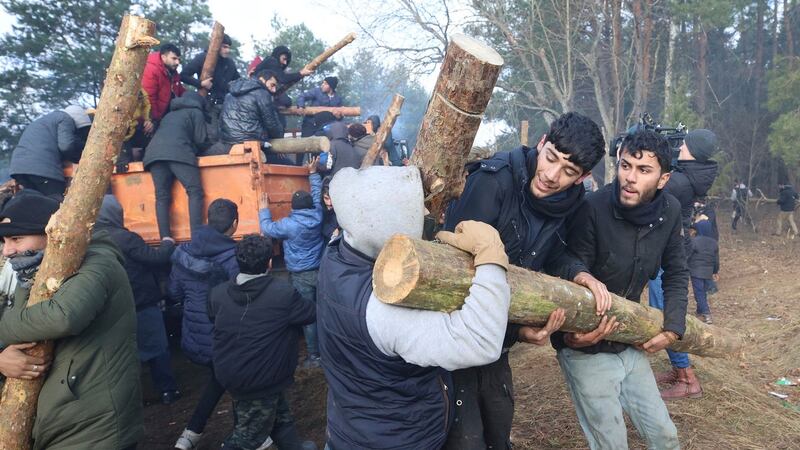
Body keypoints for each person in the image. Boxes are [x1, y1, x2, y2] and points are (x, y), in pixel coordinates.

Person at [442, 112, 611, 450]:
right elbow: (456, 269)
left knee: (498, 428)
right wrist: (515, 329)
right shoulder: (493, 180)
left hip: (497, 343)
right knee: (463, 439)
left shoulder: (572, 204)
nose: (551, 175)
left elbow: (556, 256)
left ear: (583, 177)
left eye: (568, 171)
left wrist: (580, 273)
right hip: (454, 337)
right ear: (542, 142)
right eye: (551, 158)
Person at [317, 165, 512, 449]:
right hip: (398, 440)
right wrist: (491, 255)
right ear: (390, 228)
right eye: (418, 211)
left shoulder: (337, 251)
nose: (427, 216)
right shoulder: (384, 310)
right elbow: (481, 341)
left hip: (352, 428)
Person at [553, 129, 687, 450]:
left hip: (630, 340)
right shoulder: (591, 208)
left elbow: (677, 271)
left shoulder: (670, 212)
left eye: (643, 171)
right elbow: (565, 260)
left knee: (665, 436)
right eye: (625, 166)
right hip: (585, 346)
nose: (630, 177)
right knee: (611, 443)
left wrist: (673, 328)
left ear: (663, 179)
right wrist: (581, 273)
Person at [0, 190, 143, 449]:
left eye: (17, 239)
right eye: (4, 241)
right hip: (56, 421)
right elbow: (22, 329)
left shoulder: (99, 261)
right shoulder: (31, 273)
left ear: (50, 233)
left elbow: (62, 317)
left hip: (94, 426)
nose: (7, 251)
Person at [208, 235, 317, 449]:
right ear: (269, 262)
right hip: (260, 378)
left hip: (233, 372)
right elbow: (311, 314)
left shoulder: (217, 294)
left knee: (278, 414)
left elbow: (213, 318)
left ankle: (293, 445)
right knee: (247, 438)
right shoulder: (282, 293)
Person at [647, 128, 718, 400]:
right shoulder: (692, 174)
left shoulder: (678, 181)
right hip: (674, 247)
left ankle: (687, 378)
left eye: (684, 144)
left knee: (665, 311)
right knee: (662, 306)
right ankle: (679, 372)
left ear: (691, 149)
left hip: (668, 251)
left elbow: (647, 191)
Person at [94, 195, 181, 404]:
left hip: (111, 307)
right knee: (157, 347)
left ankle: (132, 398)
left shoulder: (90, 238)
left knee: (125, 354)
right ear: (116, 214)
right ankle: (167, 391)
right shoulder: (125, 238)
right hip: (140, 302)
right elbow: (156, 258)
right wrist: (168, 244)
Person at [171, 199, 240, 450]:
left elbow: (174, 293)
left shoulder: (184, 251)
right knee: (238, 382)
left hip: (196, 337)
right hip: (224, 337)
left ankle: (190, 434)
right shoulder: (233, 257)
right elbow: (240, 299)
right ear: (234, 224)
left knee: (220, 379)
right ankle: (243, 437)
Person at [259, 157, 324, 368]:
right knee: (325, 311)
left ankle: (314, 356)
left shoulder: (288, 225)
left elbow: (267, 228)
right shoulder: (317, 215)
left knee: (309, 314)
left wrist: (263, 209)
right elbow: (316, 196)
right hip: (320, 270)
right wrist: (313, 174)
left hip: (300, 274)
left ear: (293, 208)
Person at [143, 91, 209, 239]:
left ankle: (166, 240)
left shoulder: (169, 115)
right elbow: (200, 140)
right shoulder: (196, 112)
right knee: (194, 191)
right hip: (178, 152)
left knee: (161, 197)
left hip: (153, 154)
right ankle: (197, 238)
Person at [9, 105, 91, 198]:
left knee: (35, 202)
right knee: (55, 202)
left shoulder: (45, 121)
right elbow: (66, 146)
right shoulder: (65, 118)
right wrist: (80, 158)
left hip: (19, 169)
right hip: (41, 170)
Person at [181, 34, 240, 142]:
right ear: (217, 46)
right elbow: (183, 75)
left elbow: (238, 81)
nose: (227, 50)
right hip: (208, 104)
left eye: (228, 47)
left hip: (226, 106)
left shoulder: (230, 63)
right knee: (211, 136)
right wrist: (200, 83)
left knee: (228, 136)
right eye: (224, 47)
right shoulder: (202, 58)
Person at [217, 70, 284, 152]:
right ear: (262, 79)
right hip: (251, 144)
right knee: (288, 163)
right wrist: (280, 136)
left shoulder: (229, 94)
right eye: (272, 85)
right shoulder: (262, 94)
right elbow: (272, 125)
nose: (274, 90)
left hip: (228, 143)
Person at [142, 43, 186, 123]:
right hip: (149, 121)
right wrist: (152, 120)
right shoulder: (151, 70)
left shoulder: (172, 71)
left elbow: (180, 91)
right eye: (174, 58)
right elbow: (148, 98)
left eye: (179, 59)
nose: (177, 62)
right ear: (163, 57)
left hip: (164, 117)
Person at [687, 221, 719, 324]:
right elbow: (716, 260)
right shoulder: (714, 242)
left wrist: (685, 266)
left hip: (696, 271)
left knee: (699, 292)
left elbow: (688, 255)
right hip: (708, 271)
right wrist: (715, 271)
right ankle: (700, 310)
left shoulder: (694, 241)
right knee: (703, 291)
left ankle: (706, 313)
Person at [321, 176, 339, 242]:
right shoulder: (319, 208)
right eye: (326, 198)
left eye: (332, 198)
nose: (329, 203)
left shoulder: (340, 209)